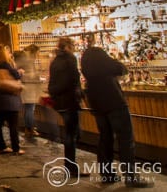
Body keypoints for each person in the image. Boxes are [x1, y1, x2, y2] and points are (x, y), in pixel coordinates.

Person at [81, 36, 153, 187]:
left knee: (105, 139)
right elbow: (122, 68)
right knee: (126, 140)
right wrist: (110, 59)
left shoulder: (86, 64)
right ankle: (131, 176)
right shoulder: (103, 60)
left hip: (97, 105)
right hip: (114, 103)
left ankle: (107, 174)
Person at [47, 37, 82, 176]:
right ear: (68, 46)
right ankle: (71, 166)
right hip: (69, 100)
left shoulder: (55, 60)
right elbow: (73, 78)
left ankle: (70, 165)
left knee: (71, 133)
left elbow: (54, 80)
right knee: (72, 134)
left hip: (60, 101)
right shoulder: (70, 59)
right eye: (72, 45)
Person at [16, 45, 42, 139]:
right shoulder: (27, 60)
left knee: (29, 109)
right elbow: (29, 74)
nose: (38, 55)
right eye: (37, 53)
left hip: (27, 87)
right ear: (34, 52)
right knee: (30, 109)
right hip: (29, 87)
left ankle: (29, 128)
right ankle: (29, 129)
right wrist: (36, 75)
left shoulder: (23, 58)